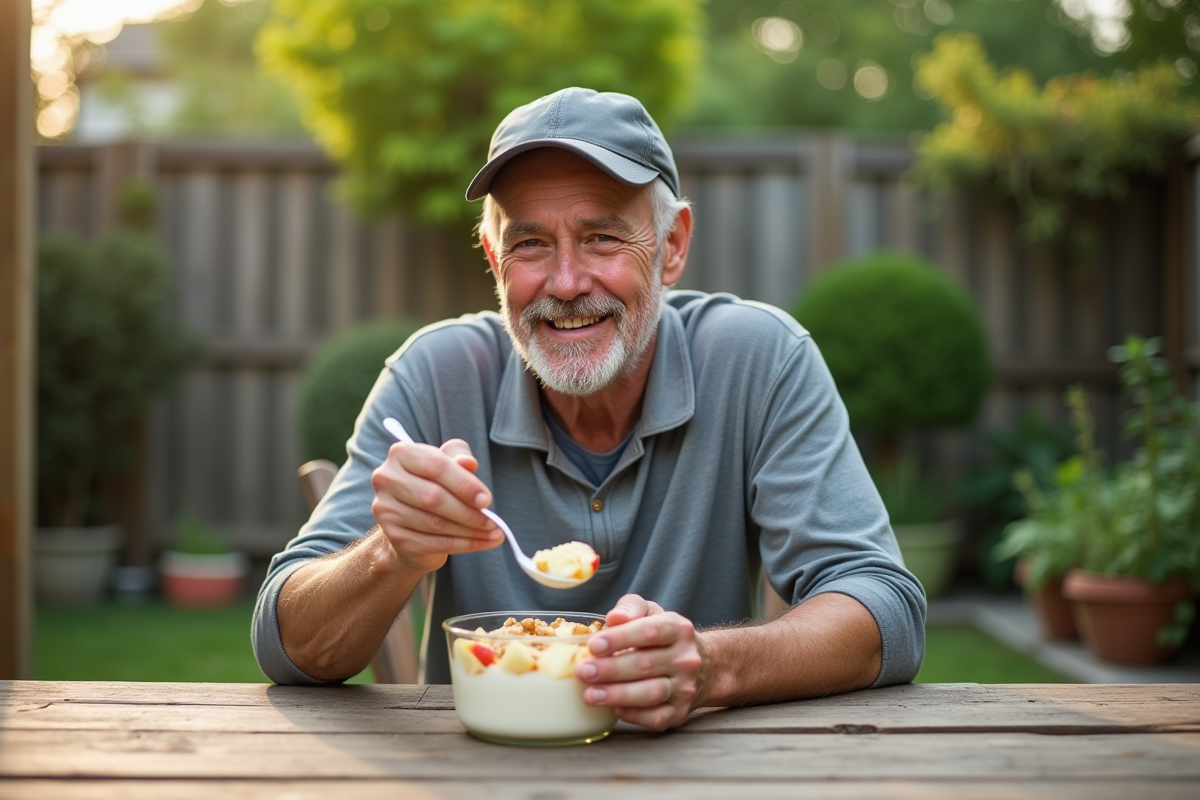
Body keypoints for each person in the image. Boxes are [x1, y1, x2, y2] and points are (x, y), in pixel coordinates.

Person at [253, 87, 925, 731]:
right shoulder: (436, 375)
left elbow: (884, 611)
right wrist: (390, 553)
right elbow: (288, 645)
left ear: (673, 247)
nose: (567, 283)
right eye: (531, 243)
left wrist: (714, 666)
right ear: (494, 258)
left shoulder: (759, 360)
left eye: (603, 238)